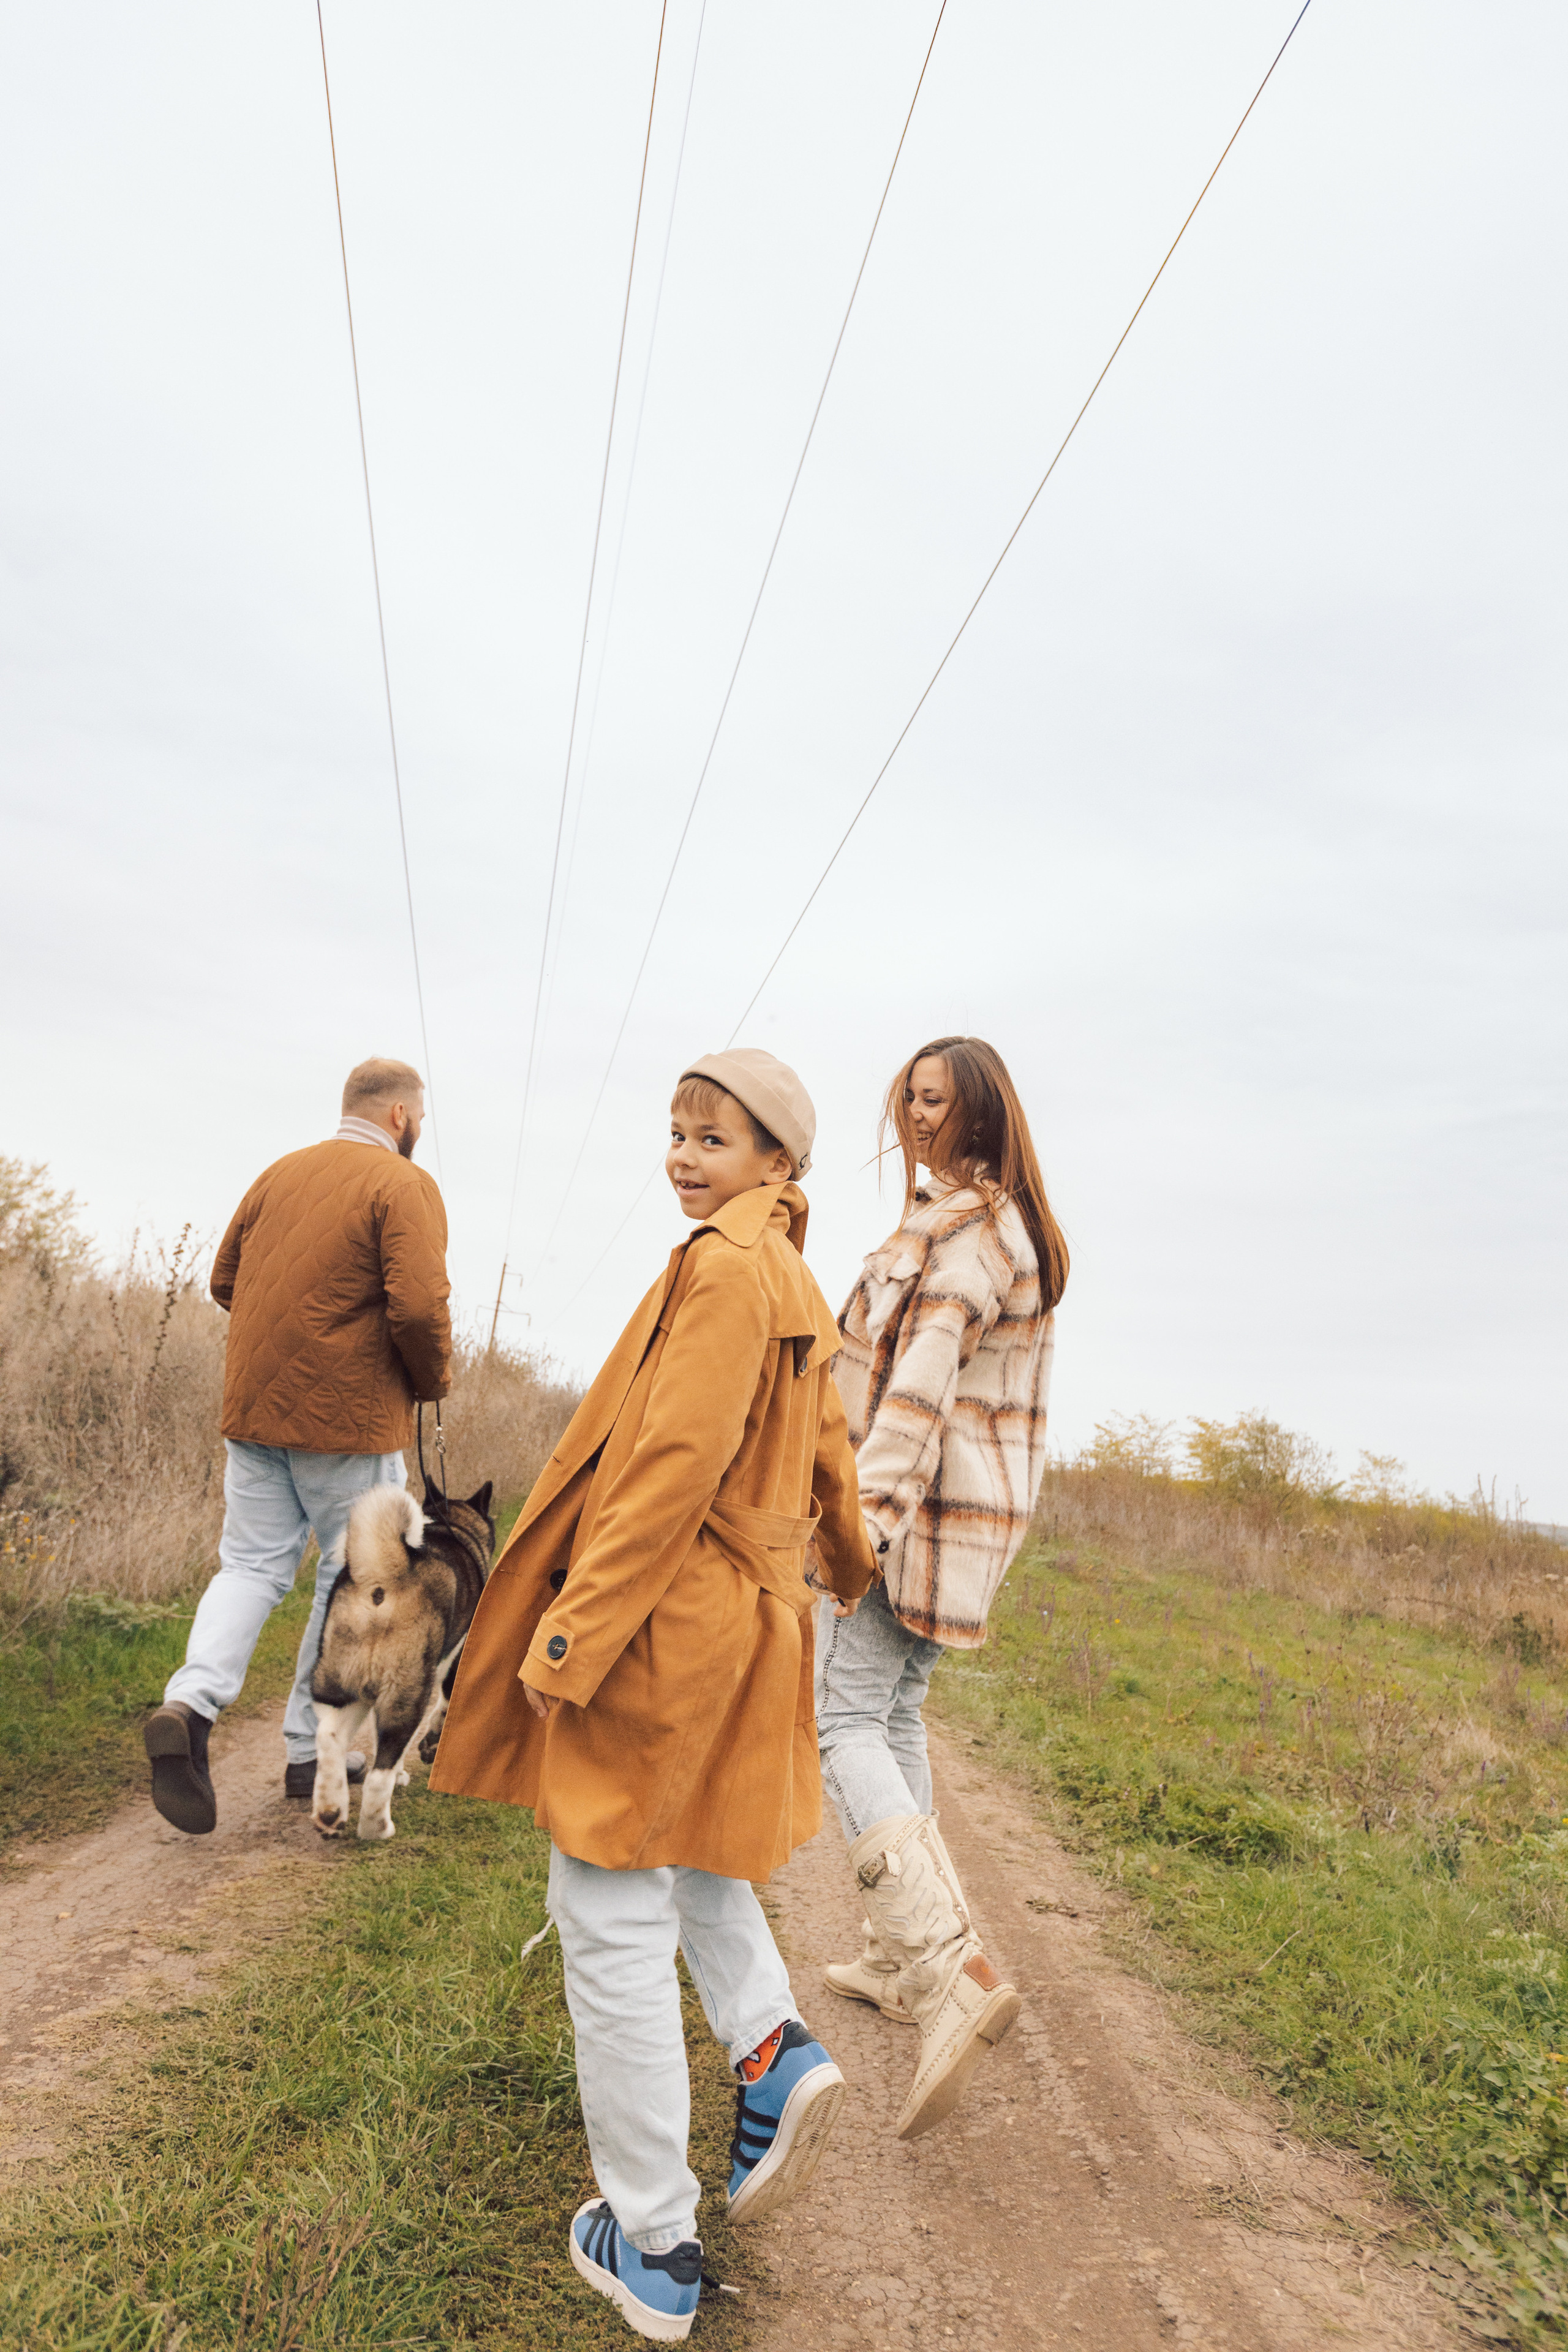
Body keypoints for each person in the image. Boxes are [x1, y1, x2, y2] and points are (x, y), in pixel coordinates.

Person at [431, 1047, 875, 2345]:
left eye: (715, 1140)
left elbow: (670, 1469)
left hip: (672, 1618)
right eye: (676, 1134)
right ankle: (768, 2044)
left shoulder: (729, 1271)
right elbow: (832, 1459)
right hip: (743, 1616)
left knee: (603, 1899)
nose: (684, 1157)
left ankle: (653, 2240)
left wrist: (571, 1638)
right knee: (673, 1843)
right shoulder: (785, 1269)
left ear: (777, 1163)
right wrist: (847, 1568)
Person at [816, 1035, 1068, 2141]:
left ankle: (943, 1967)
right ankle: (897, 1953)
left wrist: (856, 1530)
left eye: (941, 1102)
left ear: (984, 1113)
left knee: (842, 1716)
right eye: (909, 1099)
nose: (920, 1117)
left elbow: (913, 1392)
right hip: (965, 1514)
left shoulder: (965, 1234)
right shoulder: (1001, 1223)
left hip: (911, 1509)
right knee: (898, 1709)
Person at [143, 1057, 451, 1834]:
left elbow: (224, 1281)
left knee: (248, 1565)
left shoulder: (279, 1173)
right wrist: (430, 1380)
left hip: (253, 1412)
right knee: (349, 1582)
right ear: (401, 1119)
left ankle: (191, 1703)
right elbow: (417, 1308)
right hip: (347, 1422)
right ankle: (311, 1754)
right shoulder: (402, 1185)